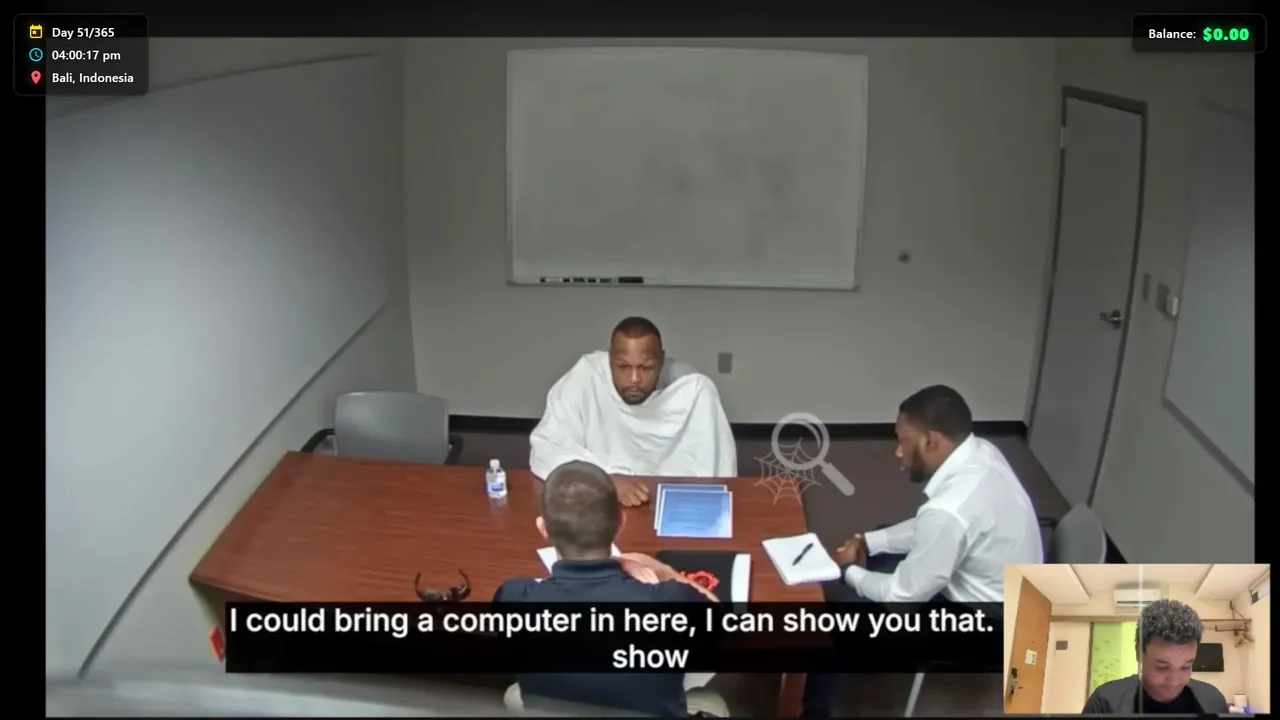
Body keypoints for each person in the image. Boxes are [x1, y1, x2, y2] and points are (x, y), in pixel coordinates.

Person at [802, 385, 1044, 717]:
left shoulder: (950, 509)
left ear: (931, 441)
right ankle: (866, 651)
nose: (897, 452)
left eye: (904, 441)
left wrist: (847, 572)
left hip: (991, 626)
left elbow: (901, 596)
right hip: (1013, 593)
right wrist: (868, 541)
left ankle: (814, 712)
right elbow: (929, 527)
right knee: (880, 550)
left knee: (838, 616)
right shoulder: (980, 452)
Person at [494, 460, 727, 717]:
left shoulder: (514, 597)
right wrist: (661, 570)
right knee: (713, 702)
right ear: (621, 523)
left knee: (514, 693)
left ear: (543, 529)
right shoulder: (668, 602)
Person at [529, 316, 737, 506]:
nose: (634, 379)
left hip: (676, 504)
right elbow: (547, 447)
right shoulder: (586, 377)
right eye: (623, 367)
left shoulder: (692, 390)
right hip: (601, 504)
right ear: (609, 359)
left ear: (661, 360)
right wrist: (605, 479)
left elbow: (717, 473)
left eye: (646, 367)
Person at [1082, 599, 1229, 714]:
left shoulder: (1213, 701)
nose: (1175, 681)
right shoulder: (1105, 702)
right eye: (1162, 667)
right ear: (1139, 653)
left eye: (1186, 666)